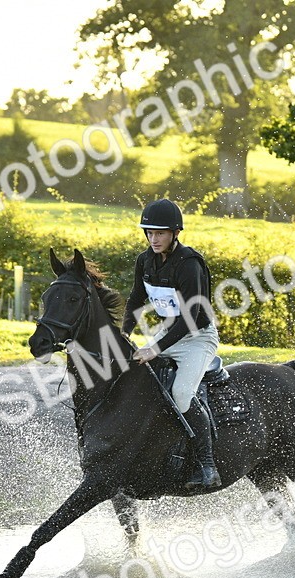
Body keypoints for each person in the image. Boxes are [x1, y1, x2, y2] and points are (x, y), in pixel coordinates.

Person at [122, 198, 221, 489]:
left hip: (197, 337)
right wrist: (123, 334)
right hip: (168, 333)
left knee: (180, 393)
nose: (154, 239)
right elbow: (135, 299)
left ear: (175, 233)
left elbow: (190, 317)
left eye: (161, 233)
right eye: (150, 233)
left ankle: (207, 465)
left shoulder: (189, 264)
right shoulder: (145, 261)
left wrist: (154, 349)